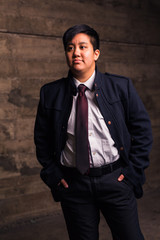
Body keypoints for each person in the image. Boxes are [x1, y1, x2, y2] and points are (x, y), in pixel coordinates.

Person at [34, 24, 153, 240]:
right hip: (74, 185)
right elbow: (41, 140)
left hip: (115, 180)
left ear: (96, 53)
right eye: (70, 48)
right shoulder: (50, 93)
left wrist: (131, 172)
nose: (76, 53)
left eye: (82, 46)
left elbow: (143, 131)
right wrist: (54, 175)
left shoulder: (120, 86)